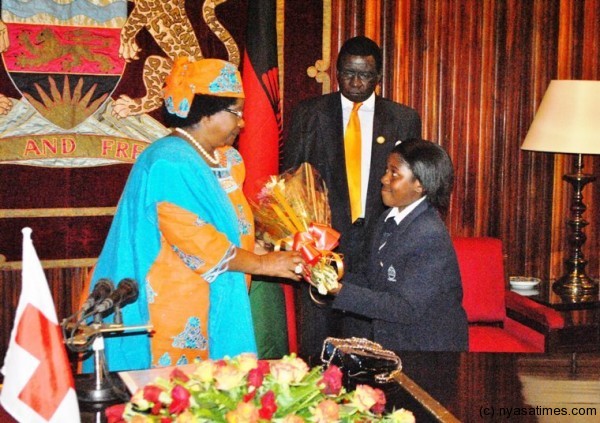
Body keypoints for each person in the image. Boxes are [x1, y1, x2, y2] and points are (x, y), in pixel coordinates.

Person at [84, 57, 304, 372]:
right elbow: (200, 244)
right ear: (205, 114)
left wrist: (279, 252)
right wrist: (265, 264)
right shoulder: (169, 162)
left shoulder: (226, 160)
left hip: (217, 300)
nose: (241, 123)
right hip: (172, 311)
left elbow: (232, 230)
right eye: (235, 113)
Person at [282, 36, 422, 362]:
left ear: (379, 78)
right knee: (319, 345)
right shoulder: (310, 114)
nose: (356, 82)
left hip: (378, 245)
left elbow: (412, 186)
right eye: (348, 73)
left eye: (365, 76)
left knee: (368, 349)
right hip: (323, 246)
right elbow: (292, 180)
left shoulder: (403, 119)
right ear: (336, 73)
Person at [328, 139, 468, 351]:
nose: (384, 178)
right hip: (395, 341)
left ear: (419, 185)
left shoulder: (429, 234)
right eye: (386, 170)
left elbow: (405, 307)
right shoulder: (387, 219)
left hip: (428, 350)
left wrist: (339, 291)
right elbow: (373, 280)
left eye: (394, 173)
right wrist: (329, 272)